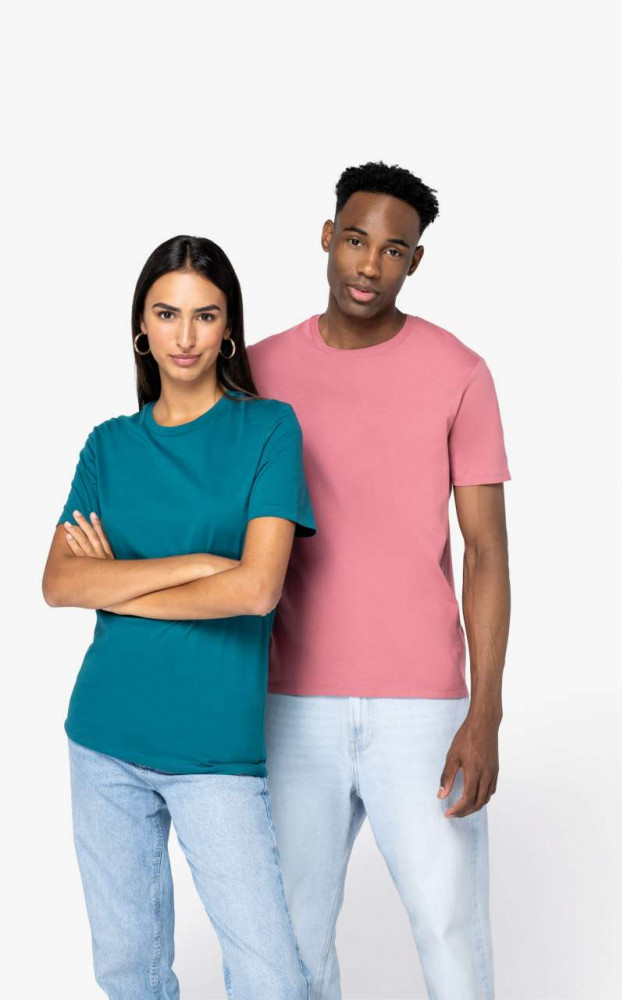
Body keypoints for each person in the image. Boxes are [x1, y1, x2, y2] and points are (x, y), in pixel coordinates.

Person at [247, 161, 511, 1000]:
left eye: (393, 251)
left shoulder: (458, 371)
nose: (369, 265)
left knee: (449, 928)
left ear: (415, 262)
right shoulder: (255, 371)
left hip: (423, 709)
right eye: (356, 240)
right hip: (288, 703)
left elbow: (486, 551)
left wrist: (485, 712)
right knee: (287, 942)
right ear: (328, 237)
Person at [41, 235, 316, 1000]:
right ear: (142, 326)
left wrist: (115, 585)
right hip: (103, 739)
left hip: (214, 751)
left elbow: (257, 590)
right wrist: (198, 563)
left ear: (229, 328)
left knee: (271, 979)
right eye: (167, 314)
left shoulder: (269, 430)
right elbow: (59, 583)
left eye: (205, 315)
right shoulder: (109, 446)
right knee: (129, 975)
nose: (185, 335)